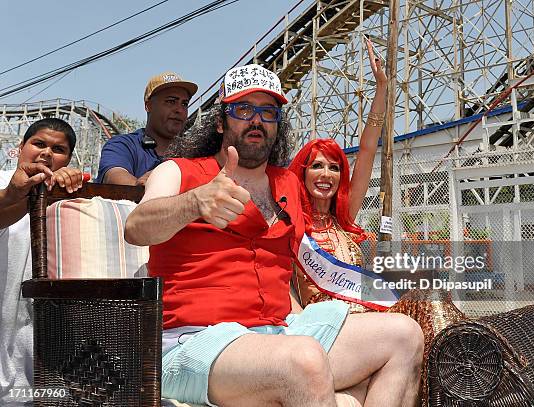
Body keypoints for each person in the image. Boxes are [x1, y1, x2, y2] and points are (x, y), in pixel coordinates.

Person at [125, 64, 423, 407]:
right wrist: (194, 202)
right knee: (304, 361)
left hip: (279, 333)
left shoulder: (289, 185)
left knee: (404, 334)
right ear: (221, 121)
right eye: (243, 109)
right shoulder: (179, 171)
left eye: (268, 112)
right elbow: (136, 227)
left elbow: (350, 189)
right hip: (196, 342)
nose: (257, 120)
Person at [288, 39, 388, 312]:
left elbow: (367, 150)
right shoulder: (293, 226)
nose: (326, 174)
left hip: (362, 319)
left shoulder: (343, 220)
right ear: (303, 173)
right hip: (323, 328)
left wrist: (381, 88)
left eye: (334, 168)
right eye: (317, 166)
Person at [0, 118, 84, 405]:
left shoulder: (72, 196)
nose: (47, 153)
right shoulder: (3, 181)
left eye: (58, 149)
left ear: (69, 159)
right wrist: (16, 194)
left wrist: (62, 191)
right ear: (20, 147)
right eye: (39, 144)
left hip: (46, 340)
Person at [96, 71, 198, 186]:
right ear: (148, 106)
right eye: (171, 101)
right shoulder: (123, 145)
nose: (179, 109)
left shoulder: (196, 153)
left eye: (184, 104)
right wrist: (139, 186)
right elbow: (113, 174)